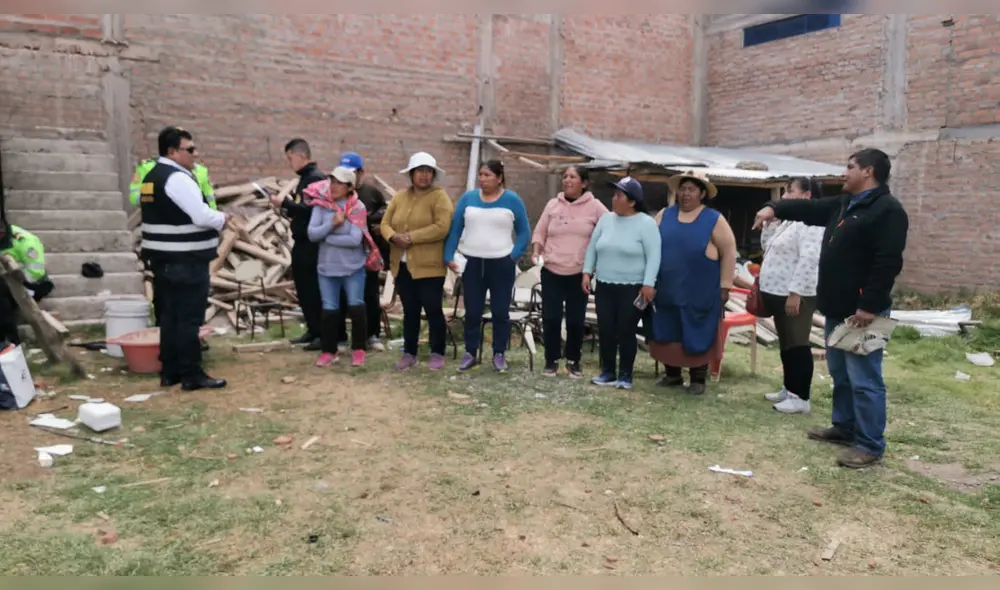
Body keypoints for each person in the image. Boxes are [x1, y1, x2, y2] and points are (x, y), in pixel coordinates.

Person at [753, 148, 909, 469]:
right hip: (838, 308)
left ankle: (869, 445)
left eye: (849, 167)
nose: (843, 172)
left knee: (865, 378)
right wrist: (773, 207)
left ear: (868, 171)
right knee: (841, 373)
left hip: (863, 312)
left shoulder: (887, 211)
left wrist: (869, 305)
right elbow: (807, 209)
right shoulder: (843, 204)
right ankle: (844, 427)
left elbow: (887, 262)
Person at [138, 126, 227, 391]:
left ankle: (171, 370)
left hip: (162, 260)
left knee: (169, 317)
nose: (195, 154)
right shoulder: (176, 178)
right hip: (185, 261)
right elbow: (200, 216)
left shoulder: (151, 177)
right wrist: (223, 218)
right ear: (172, 151)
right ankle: (192, 374)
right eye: (189, 149)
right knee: (188, 318)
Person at [648, 170, 738, 396]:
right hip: (667, 287)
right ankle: (672, 374)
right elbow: (650, 245)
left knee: (697, 329)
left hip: (700, 289)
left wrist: (725, 284)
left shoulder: (714, 219)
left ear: (702, 194)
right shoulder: (664, 215)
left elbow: (729, 252)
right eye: (683, 189)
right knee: (668, 328)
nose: (686, 194)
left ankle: (698, 378)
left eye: (692, 190)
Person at [444, 160, 531, 373]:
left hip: (502, 263)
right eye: (481, 175)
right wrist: (448, 255)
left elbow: (524, 232)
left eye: (487, 175)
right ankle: (470, 353)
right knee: (472, 311)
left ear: (500, 177)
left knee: (500, 311)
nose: (482, 179)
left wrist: (513, 256)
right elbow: (455, 229)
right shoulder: (468, 199)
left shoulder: (512, 200)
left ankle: (499, 353)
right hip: (473, 263)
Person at [581, 176, 661, 390]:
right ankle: (607, 371)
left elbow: (654, 256)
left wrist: (648, 283)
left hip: (632, 287)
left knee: (625, 330)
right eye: (614, 194)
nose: (613, 199)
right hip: (605, 285)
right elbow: (592, 247)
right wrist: (587, 272)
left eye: (619, 195)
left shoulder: (646, 224)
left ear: (632, 201)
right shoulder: (606, 220)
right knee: (606, 329)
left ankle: (625, 374)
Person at [530, 166, 608, 379]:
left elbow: (610, 229)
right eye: (565, 176)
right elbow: (540, 231)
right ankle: (551, 361)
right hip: (552, 270)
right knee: (551, 317)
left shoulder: (595, 207)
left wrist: (595, 264)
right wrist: (536, 251)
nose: (567, 180)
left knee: (575, 320)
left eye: (572, 177)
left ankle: (573, 361)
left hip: (579, 274)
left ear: (584, 183)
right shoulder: (553, 204)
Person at [381, 152, 454, 371]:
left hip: (430, 266)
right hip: (402, 265)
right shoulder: (400, 197)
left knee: (433, 310)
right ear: (412, 174)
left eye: (428, 172)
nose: (424, 176)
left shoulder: (439, 197)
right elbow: (385, 222)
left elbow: (442, 227)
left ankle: (437, 352)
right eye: (420, 171)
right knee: (410, 311)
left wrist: (411, 237)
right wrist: (393, 237)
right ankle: (409, 352)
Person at [758, 177, 825, 415]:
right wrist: (770, 224)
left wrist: (796, 293)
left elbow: (810, 259)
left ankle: (801, 397)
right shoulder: (791, 220)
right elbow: (767, 247)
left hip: (796, 293)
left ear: (806, 196)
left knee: (798, 343)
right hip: (778, 291)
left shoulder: (811, 222)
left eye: (790, 191)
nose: (784, 196)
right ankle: (790, 388)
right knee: (787, 343)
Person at [305, 166, 369, 368]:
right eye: (332, 181)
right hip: (326, 267)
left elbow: (355, 239)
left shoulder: (357, 207)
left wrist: (327, 238)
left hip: (353, 267)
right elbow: (312, 234)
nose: (334, 186)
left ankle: (358, 349)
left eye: (339, 183)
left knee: (356, 306)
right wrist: (332, 224)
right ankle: (328, 350)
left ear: (349, 187)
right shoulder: (321, 205)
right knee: (329, 310)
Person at [272, 138, 326, 351]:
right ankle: (312, 329)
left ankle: (322, 333)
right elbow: (302, 210)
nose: (289, 163)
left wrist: (285, 203)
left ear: (301, 156)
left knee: (314, 289)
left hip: (312, 244)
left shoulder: (315, 179)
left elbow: (312, 210)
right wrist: (288, 209)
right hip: (302, 240)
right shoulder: (305, 179)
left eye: (290, 158)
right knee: (304, 288)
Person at [334, 152, 389, 352]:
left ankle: (371, 335)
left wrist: (376, 223)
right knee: (340, 295)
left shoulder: (371, 193)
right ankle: (340, 337)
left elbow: (386, 212)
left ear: (361, 173)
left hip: (367, 255)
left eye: (351, 173)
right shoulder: (335, 194)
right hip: (342, 254)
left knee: (369, 295)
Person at [0, 222, 55, 345]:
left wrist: (11, 274)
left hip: (32, 283)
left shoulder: (25, 242)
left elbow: (35, 272)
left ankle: (11, 340)